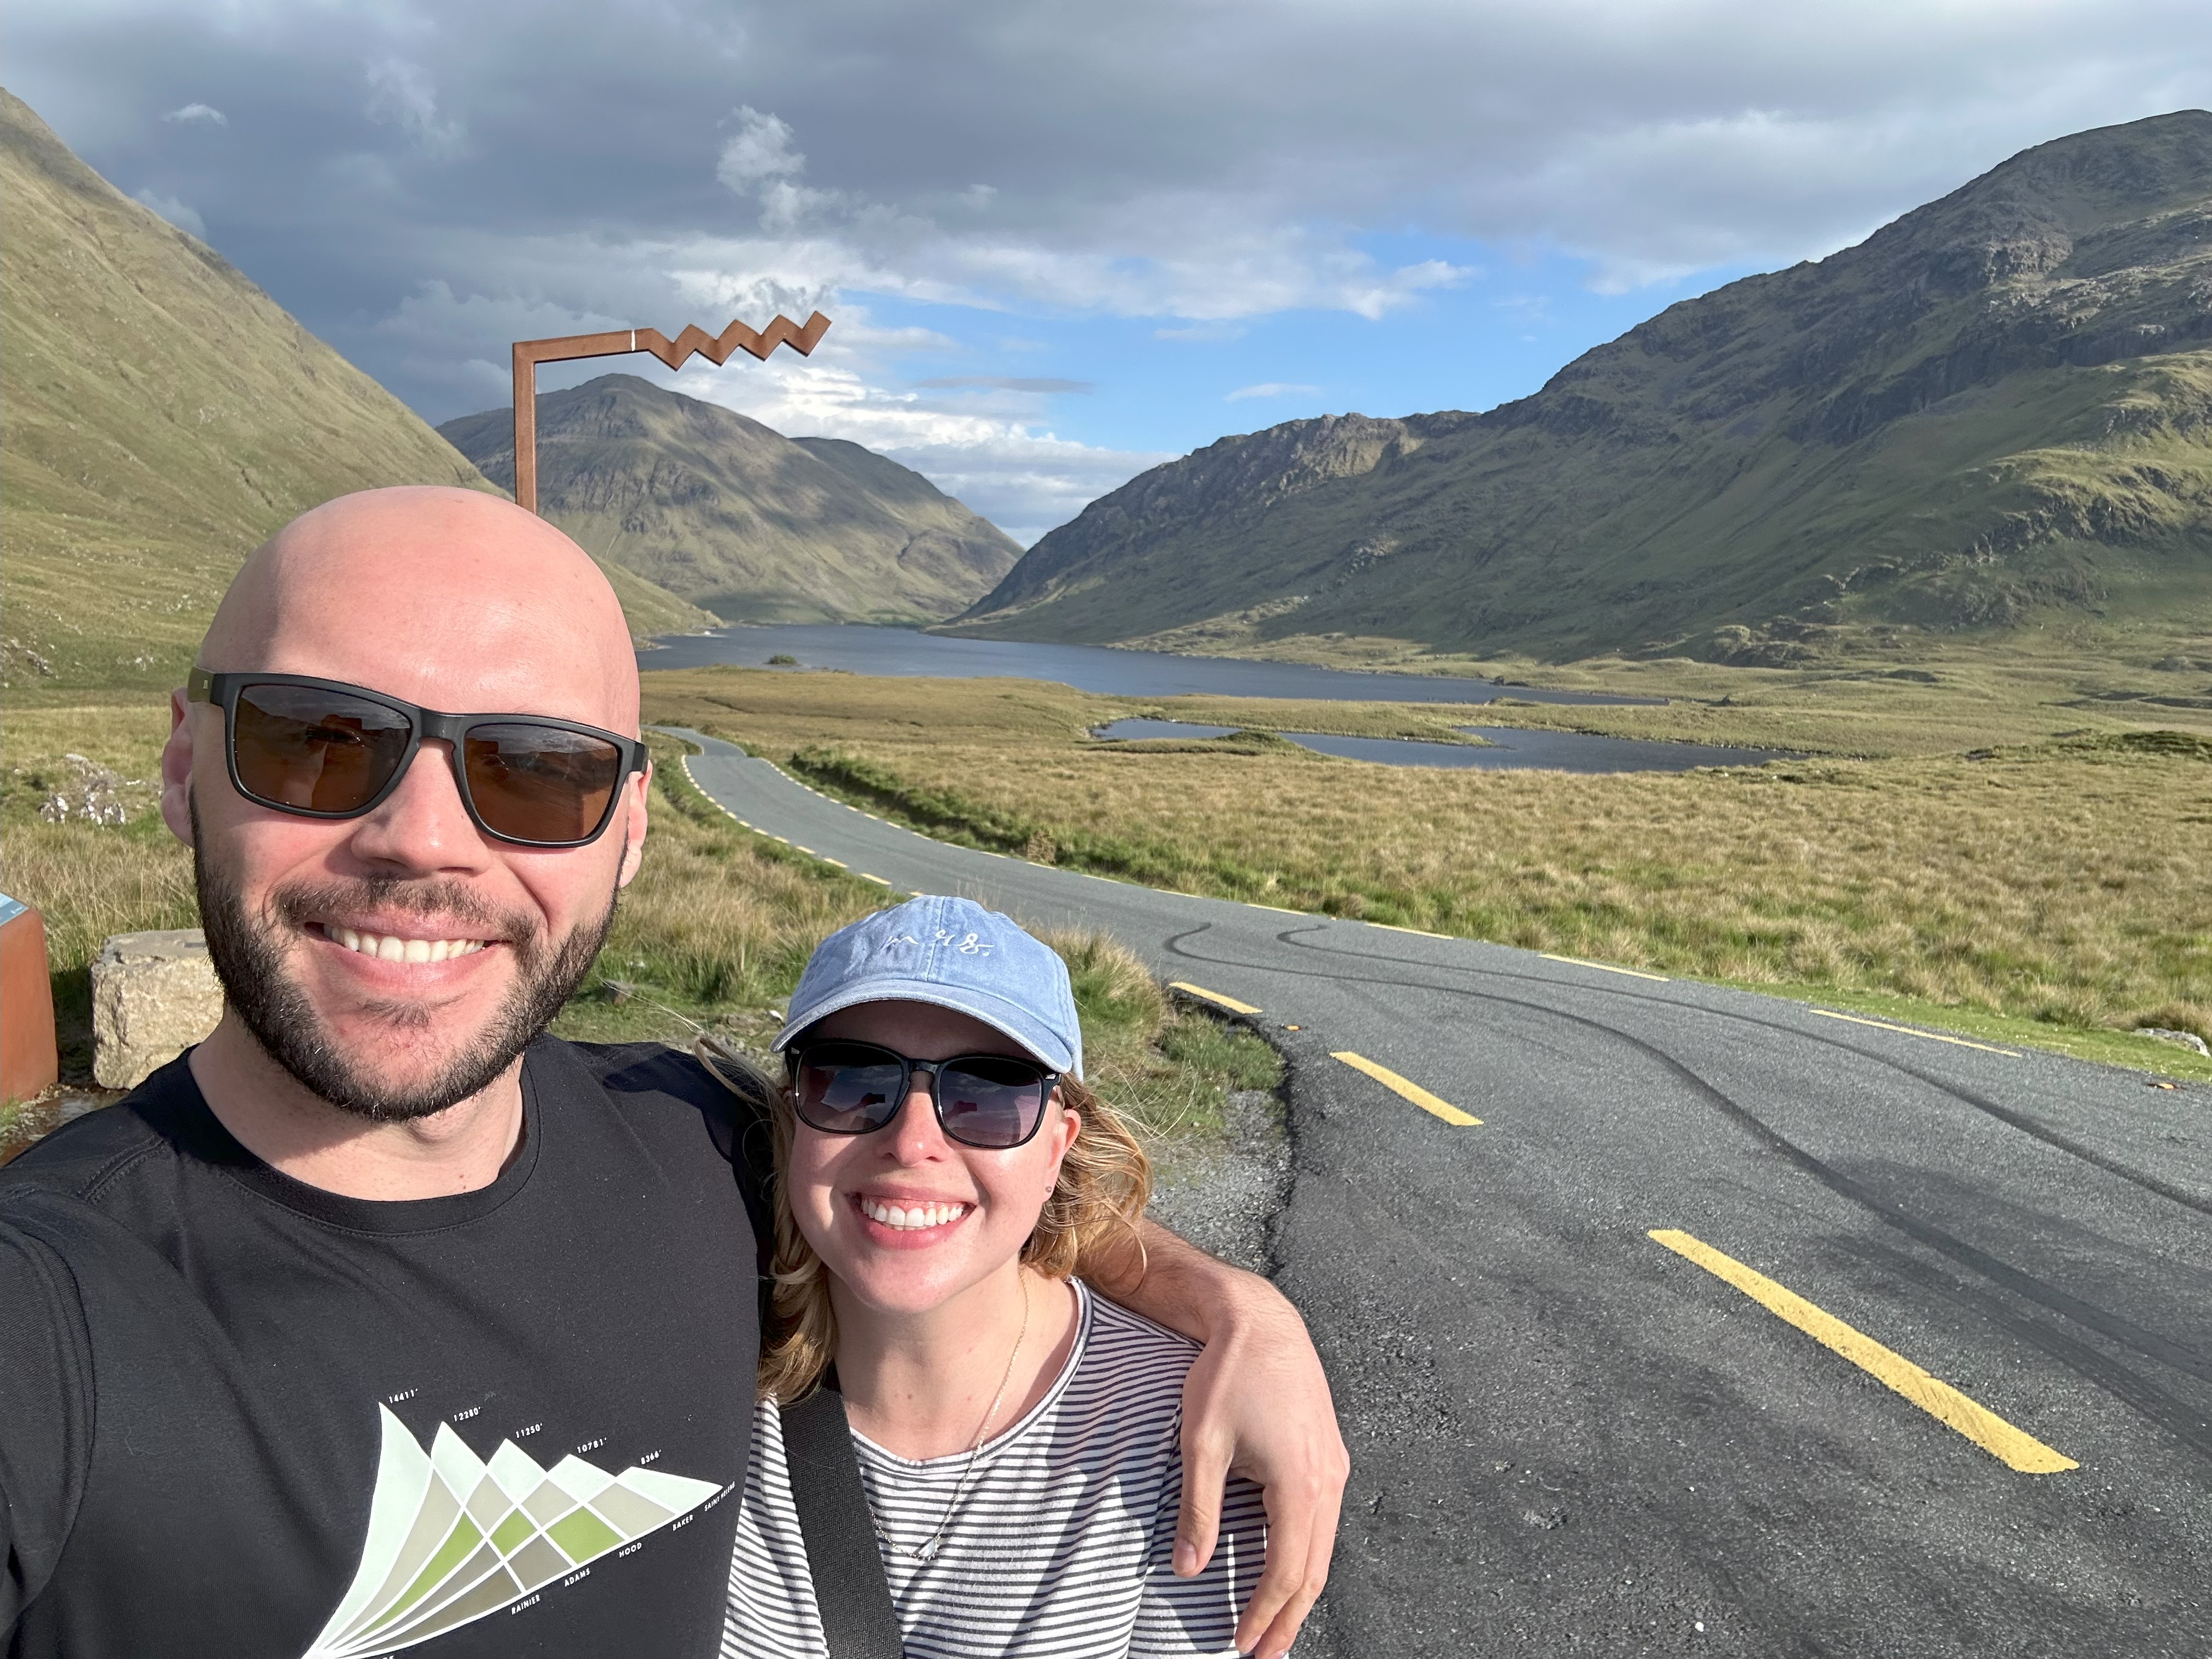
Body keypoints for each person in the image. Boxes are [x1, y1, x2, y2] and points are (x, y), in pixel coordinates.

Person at [0, 488, 1346, 1659]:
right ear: (185, 762)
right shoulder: (50, 1312)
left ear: (630, 831)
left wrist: (1238, 1314)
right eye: (316, 741)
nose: (423, 843)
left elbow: (933, 1192)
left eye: (535, 772)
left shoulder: (696, 1138)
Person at [721, 896, 1269, 1657]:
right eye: (853, 1081)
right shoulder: (697, 1375)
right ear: (794, 1115)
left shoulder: (1181, 1435)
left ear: (1056, 1148)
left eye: (989, 1092)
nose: (912, 1142)